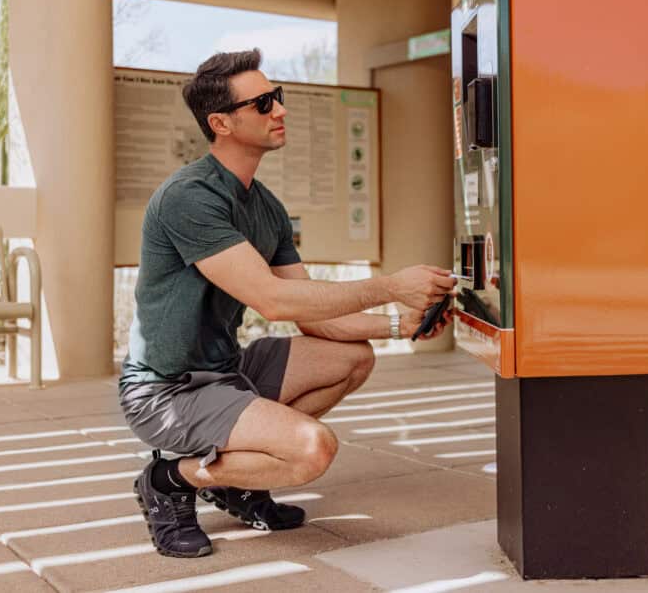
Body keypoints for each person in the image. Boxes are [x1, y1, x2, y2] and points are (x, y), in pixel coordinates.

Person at [119, 48, 455, 558]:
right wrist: (389, 286)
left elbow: (312, 315)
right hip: (167, 391)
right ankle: (170, 479)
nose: (280, 109)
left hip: (226, 372)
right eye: (262, 103)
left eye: (277, 96)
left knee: (353, 358)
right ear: (220, 123)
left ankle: (235, 480)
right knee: (311, 449)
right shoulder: (189, 197)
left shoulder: (266, 206)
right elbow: (273, 300)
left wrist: (400, 323)